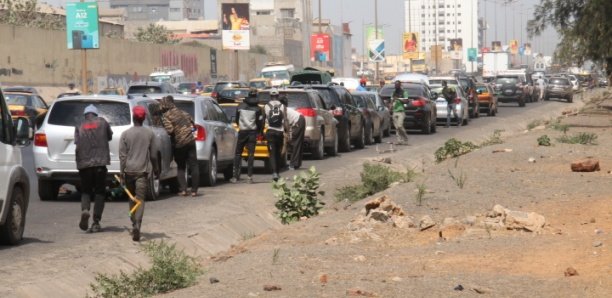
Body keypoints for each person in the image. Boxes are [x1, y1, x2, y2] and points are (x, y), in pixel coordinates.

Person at [119, 106, 159, 241]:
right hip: (142, 172)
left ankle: (133, 221)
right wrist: (156, 170)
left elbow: (122, 156)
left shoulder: (125, 134)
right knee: (140, 199)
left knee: (132, 198)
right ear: (143, 119)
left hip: (129, 171)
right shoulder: (150, 134)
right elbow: (153, 155)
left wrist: (121, 174)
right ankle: (137, 224)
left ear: (133, 118)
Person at [75, 104, 112, 233]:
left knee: (86, 191)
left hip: (84, 164)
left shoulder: (79, 125)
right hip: (100, 164)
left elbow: (77, 142)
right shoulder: (103, 123)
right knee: (99, 192)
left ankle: (85, 209)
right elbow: (109, 136)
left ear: (85, 115)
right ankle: (96, 222)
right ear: (96, 114)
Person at [159, 95, 199, 197]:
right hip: (191, 141)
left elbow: (170, 130)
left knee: (181, 167)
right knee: (194, 165)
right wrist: (191, 135)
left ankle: (184, 190)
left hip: (180, 144)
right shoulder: (184, 112)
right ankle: (194, 191)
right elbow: (194, 126)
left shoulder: (166, 116)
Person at [231, 89, 264, 184]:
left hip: (242, 132)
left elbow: (237, 120)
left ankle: (235, 177)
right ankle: (249, 177)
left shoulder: (240, 106)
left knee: (238, 154)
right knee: (251, 155)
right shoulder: (258, 109)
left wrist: (242, 126)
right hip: (252, 133)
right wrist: (259, 132)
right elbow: (260, 123)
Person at [264, 88, 288, 181]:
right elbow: (285, 120)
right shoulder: (282, 106)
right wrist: (286, 132)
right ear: (278, 96)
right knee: (278, 153)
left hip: (270, 132)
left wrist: (261, 131)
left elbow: (263, 120)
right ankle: (277, 173)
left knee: (272, 153)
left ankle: (274, 173)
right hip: (279, 132)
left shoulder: (266, 106)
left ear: (270, 96)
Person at [281, 95, 305, 170]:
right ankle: (296, 164)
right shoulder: (282, 108)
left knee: (295, 143)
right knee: (297, 143)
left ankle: (293, 164)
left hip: (298, 121)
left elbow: (285, 123)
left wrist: (287, 134)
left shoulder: (282, 109)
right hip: (300, 119)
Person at [391, 81, 409, 145]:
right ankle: (399, 140)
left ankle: (405, 138)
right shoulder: (393, 93)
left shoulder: (404, 92)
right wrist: (391, 104)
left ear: (400, 85)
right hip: (394, 111)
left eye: (397, 85)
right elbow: (391, 101)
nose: (396, 86)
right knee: (397, 128)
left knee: (399, 126)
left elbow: (406, 101)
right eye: (395, 85)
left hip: (401, 111)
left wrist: (398, 99)